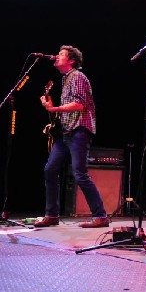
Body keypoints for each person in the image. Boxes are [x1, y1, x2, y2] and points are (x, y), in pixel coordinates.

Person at [33, 45, 109, 228]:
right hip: (66, 131)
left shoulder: (78, 77)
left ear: (71, 60)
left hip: (79, 130)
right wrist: (50, 108)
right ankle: (52, 215)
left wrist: (55, 108)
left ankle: (101, 216)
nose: (56, 57)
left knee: (79, 173)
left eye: (61, 54)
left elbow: (80, 105)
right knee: (50, 169)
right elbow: (64, 112)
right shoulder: (66, 79)